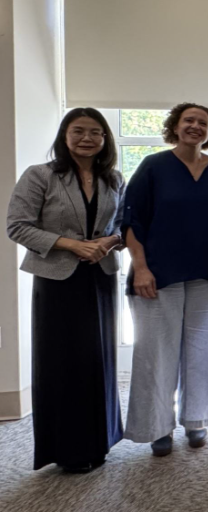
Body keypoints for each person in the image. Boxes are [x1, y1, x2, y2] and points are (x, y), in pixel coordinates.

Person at [6, 108, 125, 472]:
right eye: (78, 131)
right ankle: (70, 452)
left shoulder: (113, 178)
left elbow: (122, 224)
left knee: (98, 359)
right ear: (65, 135)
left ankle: (99, 442)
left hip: (100, 275)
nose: (87, 138)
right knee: (62, 363)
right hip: (57, 280)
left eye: (95, 132)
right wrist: (73, 245)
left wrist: (110, 242)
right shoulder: (40, 175)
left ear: (105, 139)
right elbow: (17, 226)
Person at [121, 103, 208, 456]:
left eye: (203, 122)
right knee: (156, 353)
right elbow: (131, 221)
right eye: (189, 121)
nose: (196, 127)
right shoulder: (154, 166)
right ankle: (157, 427)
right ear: (175, 126)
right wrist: (140, 267)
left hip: (206, 274)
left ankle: (197, 420)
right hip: (157, 275)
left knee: (203, 351)